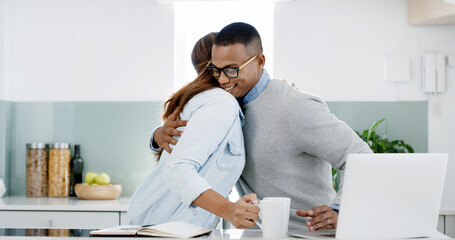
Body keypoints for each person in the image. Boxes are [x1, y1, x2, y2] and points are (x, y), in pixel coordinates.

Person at [151, 23, 373, 231]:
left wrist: (339, 210)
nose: (222, 79)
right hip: (261, 234)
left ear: (260, 61)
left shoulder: (295, 107)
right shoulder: (226, 108)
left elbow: (360, 155)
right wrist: (156, 137)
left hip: (307, 234)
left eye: (232, 70)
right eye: (216, 70)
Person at [127, 32, 259, 229]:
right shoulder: (220, 102)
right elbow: (178, 169)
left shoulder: (203, 99)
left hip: (159, 221)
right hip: (166, 226)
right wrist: (229, 210)